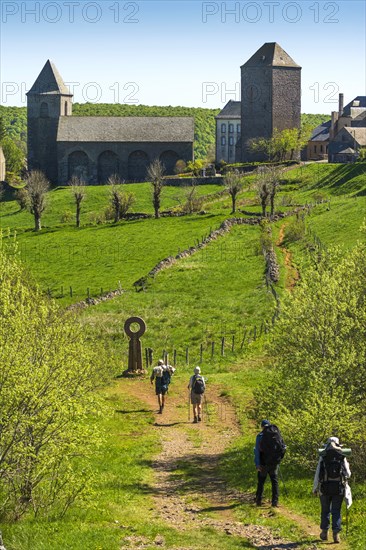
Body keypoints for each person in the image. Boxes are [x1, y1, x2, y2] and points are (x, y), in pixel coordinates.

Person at [312, 436, 351, 544]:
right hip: (338, 488)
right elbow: (348, 474)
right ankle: (336, 534)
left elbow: (317, 474)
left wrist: (315, 488)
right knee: (336, 511)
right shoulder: (342, 456)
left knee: (325, 510)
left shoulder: (323, 456)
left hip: (324, 488)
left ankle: (324, 532)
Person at [254, 420, 286, 507]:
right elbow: (283, 447)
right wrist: (278, 459)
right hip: (274, 463)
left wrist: (257, 464)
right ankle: (274, 502)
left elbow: (257, 451)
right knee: (274, 482)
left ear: (262, 426)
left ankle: (258, 500)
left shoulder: (260, 436)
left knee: (261, 481)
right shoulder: (276, 434)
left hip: (264, 462)